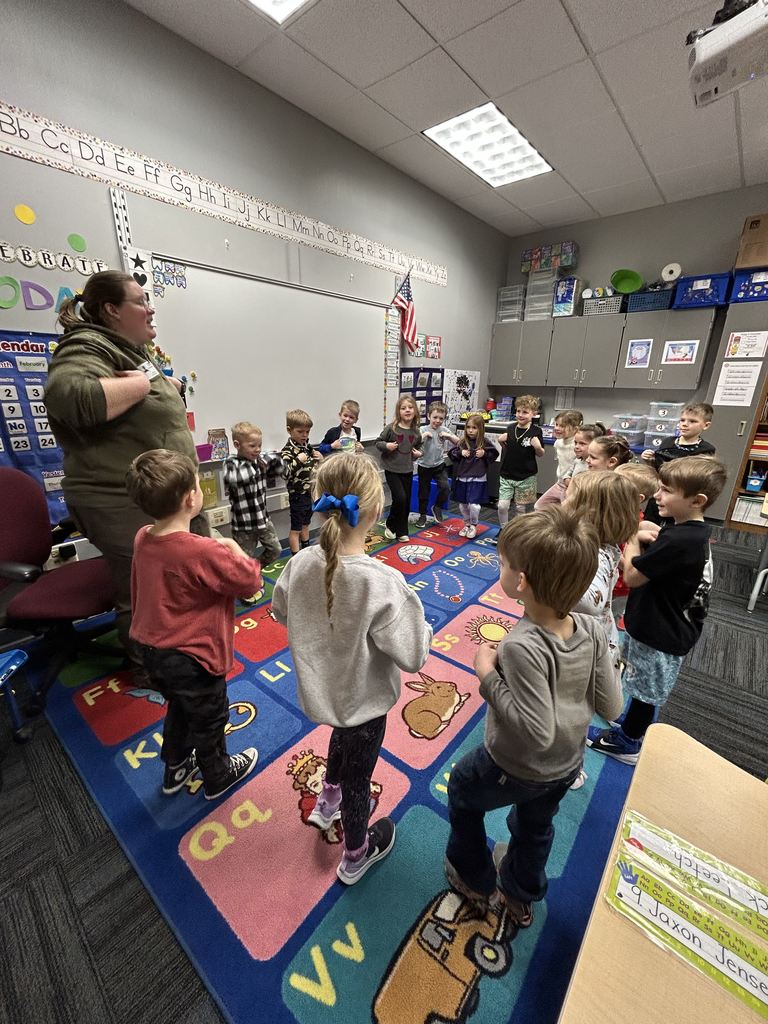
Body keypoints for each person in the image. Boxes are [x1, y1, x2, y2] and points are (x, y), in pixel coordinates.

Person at [444, 506, 622, 926]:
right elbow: (613, 706)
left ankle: (475, 877)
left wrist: (487, 675)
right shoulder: (592, 627)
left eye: (503, 564)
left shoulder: (522, 645)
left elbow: (536, 732)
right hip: (567, 764)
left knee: (463, 792)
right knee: (536, 825)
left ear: (520, 582)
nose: (499, 567)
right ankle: (520, 891)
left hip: (516, 765)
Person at [272, 454, 432, 884]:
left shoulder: (299, 562)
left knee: (340, 740)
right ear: (376, 512)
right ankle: (356, 854)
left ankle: (326, 801)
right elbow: (414, 655)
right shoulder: (382, 581)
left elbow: (279, 613)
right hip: (363, 702)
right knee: (360, 779)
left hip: (325, 695)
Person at [44, 270, 198, 683]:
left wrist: (163, 382)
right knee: (143, 586)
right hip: (119, 498)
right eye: (140, 301)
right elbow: (73, 398)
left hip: (158, 496)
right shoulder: (85, 343)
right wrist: (146, 383)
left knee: (167, 583)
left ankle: (176, 650)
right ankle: (149, 670)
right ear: (112, 310)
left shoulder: (126, 348)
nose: (150, 309)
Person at [126, 450, 260, 800]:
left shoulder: (143, 536)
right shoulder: (203, 551)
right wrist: (232, 548)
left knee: (181, 708)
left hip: (150, 652)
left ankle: (175, 767)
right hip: (192, 658)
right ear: (191, 498)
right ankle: (217, 774)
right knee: (209, 717)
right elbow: (250, 583)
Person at [588, 456, 727, 765]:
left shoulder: (680, 540)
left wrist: (632, 538)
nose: (657, 496)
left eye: (666, 490)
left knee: (645, 691)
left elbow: (633, 576)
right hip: (671, 624)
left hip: (660, 633)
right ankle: (631, 727)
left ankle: (629, 743)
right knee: (643, 683)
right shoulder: (691, 532)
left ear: (696, 500)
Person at [641, 403, 716, 524]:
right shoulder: (667, 442)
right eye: (682, 420)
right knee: (650, 523)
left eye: (692, 421)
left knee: (674, 527)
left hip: (682, 499)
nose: (685, 424)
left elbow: (701, 479)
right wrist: (650, 462)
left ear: (706, 425)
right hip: (660, 494)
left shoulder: (706, 450)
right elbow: (658, 471)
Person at [223, 421, 283, 568]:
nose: (257, 450)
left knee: (275, 550)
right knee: (242, 560)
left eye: (259, 446)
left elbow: (281, 469)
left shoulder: (259, 461)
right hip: (244, 524)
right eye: (252, 446)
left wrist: (274, 462)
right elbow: (237, 477)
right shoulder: (231, 463)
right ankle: (242, 583)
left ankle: (254, 571)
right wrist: (259, 465)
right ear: (237, 445)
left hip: (263, 520)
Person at [375, 396, 422, 542]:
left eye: (410, 407)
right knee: (400, 498)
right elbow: (378, 442)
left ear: (415, 410)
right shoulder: (392, 428)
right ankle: (390, 524)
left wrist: (419, 453)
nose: (407, 410)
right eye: (403, 408)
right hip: (392, 469)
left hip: (407, 470)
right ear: (398, 411)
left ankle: (402, 530)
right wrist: (387, 446)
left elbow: (419, 447)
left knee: (406, 500)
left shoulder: (416, 432)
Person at [447, 413, 498, 538]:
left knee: (474, 505)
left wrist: (484, 453)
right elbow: (452, 454)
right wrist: (460, 452)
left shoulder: (484, 442)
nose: (470, 430)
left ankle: (474, 524)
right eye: (468, 427)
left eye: (474, 428)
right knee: (462, 504)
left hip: (478, 477)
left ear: (480, 429)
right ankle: (467, 524)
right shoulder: (463, 442)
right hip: (462, 477)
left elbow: (494, 454)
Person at [496, 394, 544, 527]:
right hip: (507, 473)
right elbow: (508, 449)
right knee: (502, 506)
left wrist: (538, 446)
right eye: (518, 411)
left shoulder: (536, 431)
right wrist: (501, 442)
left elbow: (540, 454)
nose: (520, 415)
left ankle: (518, 531)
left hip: (526, 476)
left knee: (520, 508)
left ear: (533, 413)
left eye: (525, 412)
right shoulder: (511, 428)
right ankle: (503, 529)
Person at [281, 409, 323, 555]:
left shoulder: (307, 447)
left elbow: (314, 467)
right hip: (297, 495)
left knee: (306, 525)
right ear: (289, 430)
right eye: (300, 432)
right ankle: (296, 558)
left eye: (307, 432)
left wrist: (320, 459)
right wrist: (298, 460)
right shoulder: (287, 451)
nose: (305, 435)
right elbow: (285, 473)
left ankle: (306, 553)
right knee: (296, 529)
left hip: (309, 493)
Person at [414, 401, 459, 528]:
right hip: (424, 466)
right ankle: (422, 515)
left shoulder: (443, 430)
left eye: (441, 418)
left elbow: (459, 442)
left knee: (446, 487)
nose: (438, 421)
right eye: (435, 417)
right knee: (423, 492)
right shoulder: (422, 429)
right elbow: (415, 443)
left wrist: (448, 436)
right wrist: (423, 436)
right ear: (429, 416)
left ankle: (437, 507)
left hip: (439, 465)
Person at [534, 409, 583, 508]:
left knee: (566, 513)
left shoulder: (577, 446)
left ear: (576, 429)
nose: (557, 428)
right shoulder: (558, 443)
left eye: (562, 426)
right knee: (539, 506)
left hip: (572, 486)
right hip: (560, 483)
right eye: (556, 424)